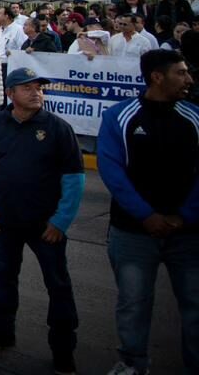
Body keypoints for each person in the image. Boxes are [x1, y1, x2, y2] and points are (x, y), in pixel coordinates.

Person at [0, 68, 84, 374]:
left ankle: (63, 348)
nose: (36, 93)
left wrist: (60, 221)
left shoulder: (58, 129)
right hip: (5, 222)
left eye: (39, 88)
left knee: (57, 285)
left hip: (46, 226)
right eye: (27, 88)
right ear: (10, 93)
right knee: (5, 278)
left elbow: (74, 180)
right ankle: (2, 332)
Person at [97, 49, 199, 375]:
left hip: (188, 234)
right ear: (157, 76)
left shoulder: (195, 117)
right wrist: (147, 216)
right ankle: (132, 363)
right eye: (181, 73)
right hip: (133, 233)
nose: (189, 80)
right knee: (133, 303)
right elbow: (112, 170)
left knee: (195, 305)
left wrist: (185, 215)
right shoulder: (120, 117)